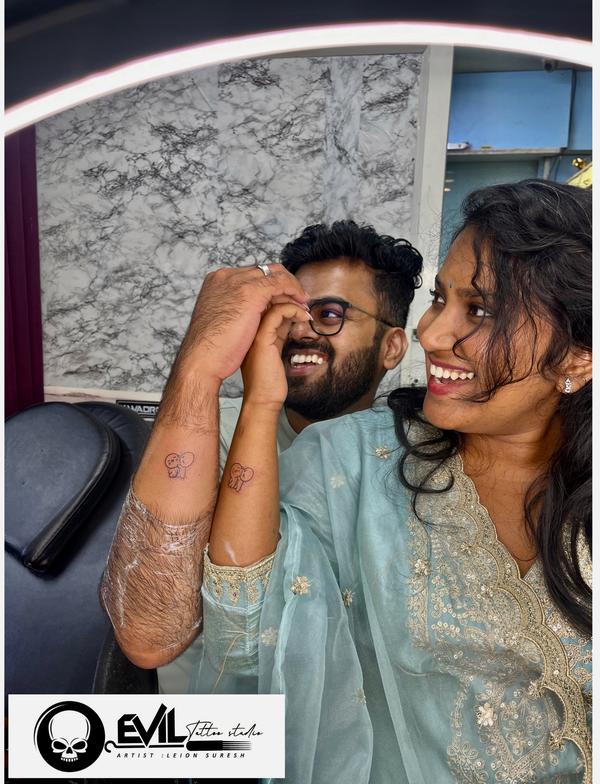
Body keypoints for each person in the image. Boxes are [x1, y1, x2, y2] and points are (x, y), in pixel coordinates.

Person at [194, 180, 592, 783]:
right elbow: (245, 636)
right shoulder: (355, 461)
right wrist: (258, 401)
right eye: (440, 299)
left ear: (576, 358)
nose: (433, 334)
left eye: (480, 311)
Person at [100, 220, 423, 694]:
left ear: (391, 347)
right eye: (289, 315)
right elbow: (147, 634)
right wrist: (202, 367)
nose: (302, 331)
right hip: (218, 724)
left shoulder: (409, 455)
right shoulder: (207, 431)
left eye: (330, 314)